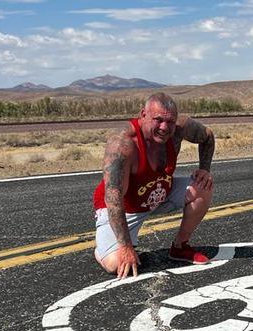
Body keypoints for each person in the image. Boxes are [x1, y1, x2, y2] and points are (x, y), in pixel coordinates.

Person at [92, 92, 215, 278]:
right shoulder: (123, 144)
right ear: (143, 115)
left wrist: (204, 169)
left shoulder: (179, 128)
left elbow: (208, 136)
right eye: (158, 120)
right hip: (126, 208)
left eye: (170, 122)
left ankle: (180, 247)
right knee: (117, 264)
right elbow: (114, 199)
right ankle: (103, 250)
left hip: (157, 194)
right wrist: (125, 247)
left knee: (202, 187)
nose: (164, 127)